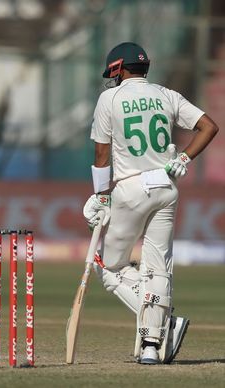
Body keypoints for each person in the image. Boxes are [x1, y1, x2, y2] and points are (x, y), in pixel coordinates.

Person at [83, 42, 219, 365]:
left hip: (131, 190)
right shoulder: (166, 94)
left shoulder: (109, 98)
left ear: (118, 69)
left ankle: (164, 325)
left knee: (111, 268)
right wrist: (184, 157)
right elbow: (209, 127)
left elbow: (102, 154)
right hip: (166, 186)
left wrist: (102, 198)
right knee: (157, 269)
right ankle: (151, 345)